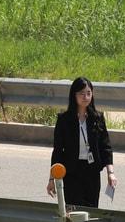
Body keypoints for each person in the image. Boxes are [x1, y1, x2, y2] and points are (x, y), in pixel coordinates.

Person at [46, 77, 116, 207]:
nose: (86, 97)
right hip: (72, 172)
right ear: (74, 95)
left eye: (89, 93)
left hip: (92, 172)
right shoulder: (64, 120)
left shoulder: (97, 118)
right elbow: (58, 151)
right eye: (82, 93)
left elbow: (105, 147)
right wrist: (52, 179)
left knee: (91, 209)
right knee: (73, 210)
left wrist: (110, 173)